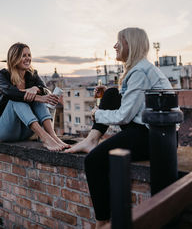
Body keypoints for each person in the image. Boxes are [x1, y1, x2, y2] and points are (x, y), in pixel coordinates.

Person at [66, 27, 172, 228]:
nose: (114, 45)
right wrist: (109, 95)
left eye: (118, 41)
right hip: (152, 131)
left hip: (153, 137)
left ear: (129, 45)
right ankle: (91, 139)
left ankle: (103, 221)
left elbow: (124, 116)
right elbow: (130, 105)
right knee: (112, 93)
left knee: (94, 161)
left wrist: (97, 113)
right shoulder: (140, 69)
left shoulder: (140, 71)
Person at [0, 42, 70, 151]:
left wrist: (36, 89)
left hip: (26, 131)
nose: (28, 58)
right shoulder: (2, 74)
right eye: (23, 55)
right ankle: (45, 138)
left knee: (35, 96)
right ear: (14, 58)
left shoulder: (32, 74)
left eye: (29, 55)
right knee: (17, 100)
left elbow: (45, 90)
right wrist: (38, 97)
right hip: (5, 131)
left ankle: (53, 136)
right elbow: (9, 92)